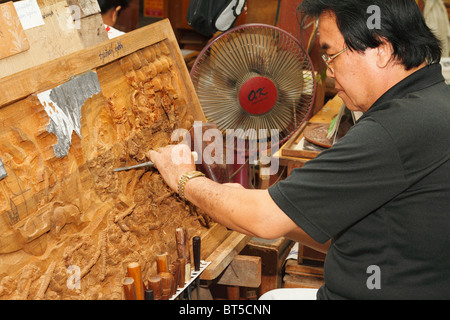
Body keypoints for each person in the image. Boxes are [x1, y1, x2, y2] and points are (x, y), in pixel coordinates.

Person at [149, 0, 450, 300]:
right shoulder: (433, 101)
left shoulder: (392, 129)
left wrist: (185, 179)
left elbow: (263, 218)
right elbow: (365, 235)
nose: (329, 74)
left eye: (332, 55)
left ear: (381, 49)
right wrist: (292, 213)